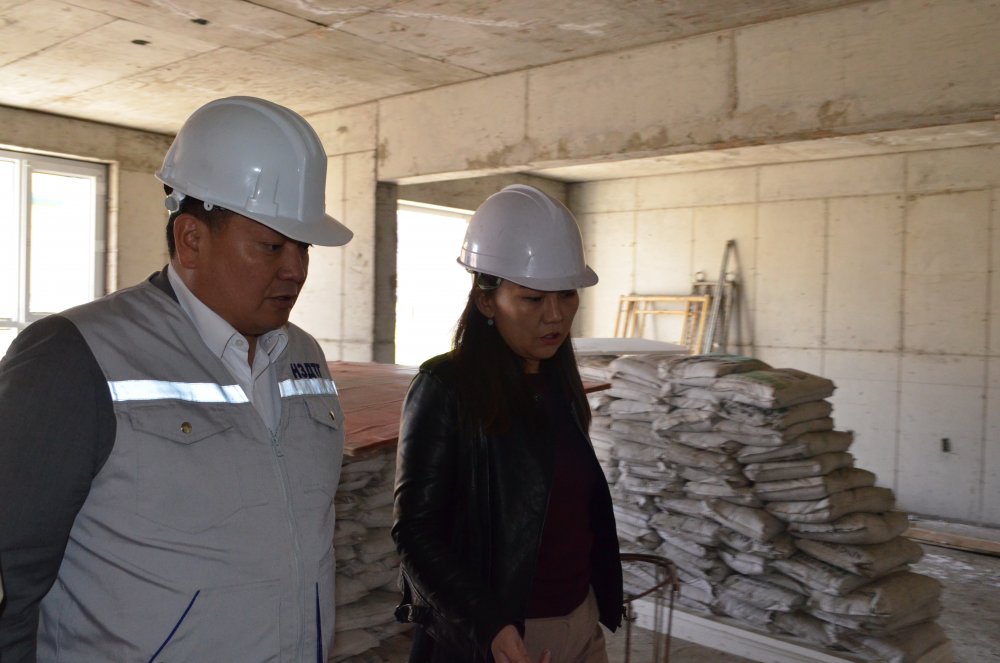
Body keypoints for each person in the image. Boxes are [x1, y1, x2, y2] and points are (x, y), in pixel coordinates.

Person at [0, 96, 353, 661]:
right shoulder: (75, 356)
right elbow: (12, 574)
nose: (296, 269)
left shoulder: (303, 355)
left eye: (303, 247)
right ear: (191, 240)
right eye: (271, 246)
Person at [392, 184, 624, 663]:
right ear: (486, 301)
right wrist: (488, 624)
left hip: (579, 619)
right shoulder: (446, 388)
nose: (556, 315)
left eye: (567, 294)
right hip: (505, 634)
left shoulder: (558, 380)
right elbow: (416, 532)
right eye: (533, 299)